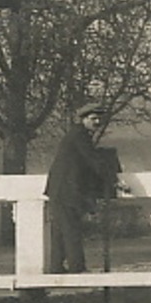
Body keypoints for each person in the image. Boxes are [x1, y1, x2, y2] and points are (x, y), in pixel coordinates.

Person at [44, 102, 127, 274]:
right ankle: (77, 267)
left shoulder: (78, 135)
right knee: (71, 228)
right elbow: (92, 160)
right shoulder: (80, 136)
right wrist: (114, 180)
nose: (97, 122)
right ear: (83, 119)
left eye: (99, 119)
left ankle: (56, 267)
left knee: (61, 229)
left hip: (60, 189)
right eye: (93, 118)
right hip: (66, 190)